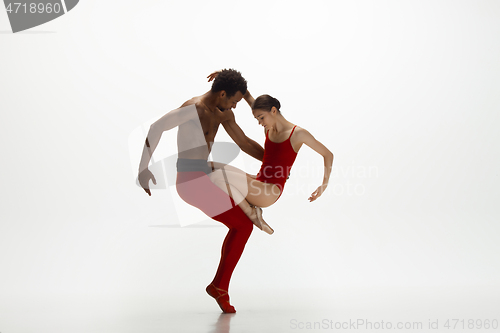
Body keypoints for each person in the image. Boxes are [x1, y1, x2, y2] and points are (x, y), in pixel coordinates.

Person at [138, 69, 264, 313]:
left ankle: (218, 285)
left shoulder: (224, 112)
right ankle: (219, 287)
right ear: (223, 94)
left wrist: (273, 163)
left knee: (247, 214)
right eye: (235, 101)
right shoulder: (193, 108)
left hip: (207, 175)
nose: (236, 107)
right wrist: (143, 167)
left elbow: (245, 142)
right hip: (190, 182)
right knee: (243, 225)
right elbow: (157, 127)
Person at [206, 92, 334, 235]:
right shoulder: (268, 129)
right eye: (257, 119)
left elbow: (328, 154)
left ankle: (253, 214)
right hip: (259, 181)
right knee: (210, 166)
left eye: (261, 118)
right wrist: (238, 87)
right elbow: (254, 103)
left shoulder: (298, 134)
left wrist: (324, 185)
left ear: (274, 110)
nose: (260, 123)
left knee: (216, 177)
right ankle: (246, 203)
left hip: (269, 191)